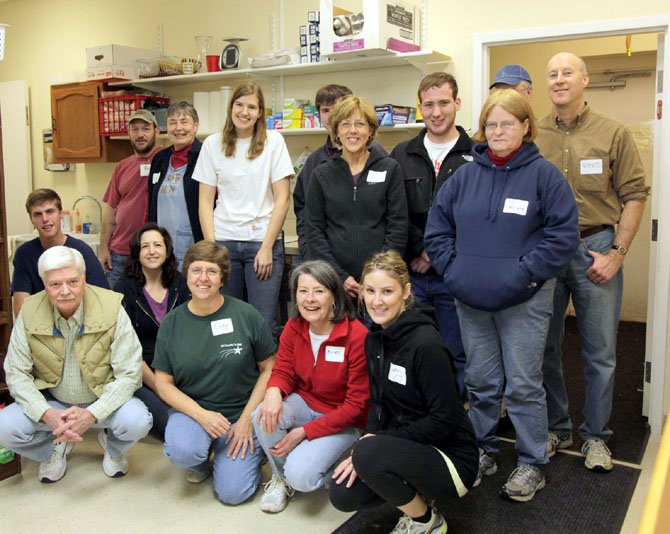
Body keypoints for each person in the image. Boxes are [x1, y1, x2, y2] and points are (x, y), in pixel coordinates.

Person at [424, 89, 579, 502]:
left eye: (507, 123)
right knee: (482, 381)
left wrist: (524, 274)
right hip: (470, 300)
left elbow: (562, 236)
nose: (497, 131)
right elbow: (437, 231)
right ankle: (484, 451)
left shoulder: (545, 176)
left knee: (525, 385)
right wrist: (455, 271)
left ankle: (531, 463)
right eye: (491, 124)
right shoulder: (464, 176)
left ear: (526, 127)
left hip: (523, 301)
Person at [535, 52, 649, 472]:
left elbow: (635, 194)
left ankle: (597, 436)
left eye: (568, 72)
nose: (560, 79)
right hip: (546, 249)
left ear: (584, 80)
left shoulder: (613, 132)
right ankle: (557, 426)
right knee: (544, 346)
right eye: (553, 73)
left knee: (600, 350)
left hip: (596, 245)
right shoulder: (533, 133)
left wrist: (617, 252)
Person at [329, 251, 478, 534]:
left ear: (406, 291)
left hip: (452, 459)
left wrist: (374, 447)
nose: (377, 301)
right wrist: (370, 440)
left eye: (387, 291)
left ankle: (426, 522)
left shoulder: (426, 344)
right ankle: (418, 496)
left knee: (367, 452)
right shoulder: (374, 339)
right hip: (412, 445)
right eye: (370, 291)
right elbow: (378, 404)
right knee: (343, 493)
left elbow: (444, 419)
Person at [0, 246, 151, 483]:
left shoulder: (111, 307)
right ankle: (53, 449)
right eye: (55, 284)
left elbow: (130, 374)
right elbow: (16, 373)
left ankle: (113, 448)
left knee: (138, 421)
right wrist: (46, 413)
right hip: (54, 401)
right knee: (4, 427)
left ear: (84, 278)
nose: (65, 291)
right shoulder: (29, 311)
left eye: (73, 281)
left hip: (101, 400)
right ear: (44, 283)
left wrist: (92, 414)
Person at [153, 241, 276, 505]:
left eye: (212, 271)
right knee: (183, 451)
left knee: (233, 494)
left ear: (223, 278)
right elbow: (163, 383)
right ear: (186, 275)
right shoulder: (172, 323)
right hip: (195, 413)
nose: (203, 278)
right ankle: (200, 461)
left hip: (240, 414)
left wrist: (246, 421)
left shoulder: (246, 315)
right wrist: (202, 416)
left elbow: (269, 368)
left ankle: (245, 453)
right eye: (196, 270)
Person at [252, 260, 369, 513]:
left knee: (303, 476)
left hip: (344, 418)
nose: (309, 299)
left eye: (318, 291)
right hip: (306, 402)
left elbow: (357, 406)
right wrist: (273, 391)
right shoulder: (294, 327)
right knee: (261, 414)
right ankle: (281, 479)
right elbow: (283, 369)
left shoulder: (357, 335)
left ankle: (334, 459)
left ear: (334, 296)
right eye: (302, 291)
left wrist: (305, 431)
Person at [391, 72, 472, 399]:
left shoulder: (476, 154)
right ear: (419, 107)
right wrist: (419, 252)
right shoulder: (401, 153)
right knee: (412, 350)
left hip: (455, 276)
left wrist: (435, 254)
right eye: (429, 105)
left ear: (457, 103)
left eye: (443, 103)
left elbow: (474, 221)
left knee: (458, 352)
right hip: (412, 275)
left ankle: (454, 416)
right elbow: (394, 212)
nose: (436, 112)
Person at [194, 81, 293, 333]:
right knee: (224, 322)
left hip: (261, 244)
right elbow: (205, 200)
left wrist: (268, 246)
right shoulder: (212, 144)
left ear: (260, 112)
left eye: (252, 106)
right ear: (231, 107)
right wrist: (211, 248)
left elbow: (282, 198)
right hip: (224, 244)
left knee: (262, 324)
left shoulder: (274, 142)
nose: (244, 112)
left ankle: (265, 374)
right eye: (239, 104)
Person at [305, 95, 408, 300]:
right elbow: (314, 232)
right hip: (335, 283)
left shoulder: (389, 168)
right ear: (336, 131)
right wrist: (339, 276)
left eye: (360, 124)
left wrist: (376, 275)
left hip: (380, 284)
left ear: (370, 130)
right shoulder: (321, 175)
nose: (352, 131)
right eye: (345, 124)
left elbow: (398, 226)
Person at [113, 223, 190, 441]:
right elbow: (127, 350)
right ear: (137, 253)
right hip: (143, 374)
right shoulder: (124, 288)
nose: (152, 251)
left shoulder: (180, 282)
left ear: (167, 250)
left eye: (158, 245)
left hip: (180, 370)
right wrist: (161, 387)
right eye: (145, 246)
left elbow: (192, 332)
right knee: (174, 428)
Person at [292, 84, 386, 260]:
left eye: (337, 109)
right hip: (326, 262)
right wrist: (308, 251)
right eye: (325, 110)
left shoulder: (379, 156)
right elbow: (304, 212)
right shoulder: (314, 162)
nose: (331, 115)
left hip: (372, 261)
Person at [11, 188, 109, 316]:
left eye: (50, 211)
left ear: (61, 214)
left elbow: (102, 298)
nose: (45, 219)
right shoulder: (24, 254)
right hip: (41, 325)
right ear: (31, 219)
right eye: (38, 214)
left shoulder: (82, 251)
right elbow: (21, 310)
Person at [99, 109, 161, 287]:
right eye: (135, 129)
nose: (140, 134)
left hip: (153, 253)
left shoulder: (165, 159)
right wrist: (104, 248)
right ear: (128, 133)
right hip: (120, 253)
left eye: (146, 129)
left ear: (156, 131)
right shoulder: (121, 166)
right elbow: (110, 212)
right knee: (114, 309)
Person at [147, 101, 203, 268]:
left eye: (184, 121)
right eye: (173, 122)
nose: (178, 128)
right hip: (162, 244)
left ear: (196, 126)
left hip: (194, 243)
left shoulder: (204, 156)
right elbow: (150, 202)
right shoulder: (160, 159)